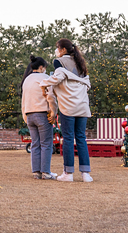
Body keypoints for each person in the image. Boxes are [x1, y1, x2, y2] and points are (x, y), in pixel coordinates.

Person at [40, 38, 93, 182]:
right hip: (82, 105)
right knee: (81, 138)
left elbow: (57, 78)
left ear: (63, 50)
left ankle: (68, 173)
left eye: (57, 48)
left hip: (68, 105)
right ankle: (85, 174)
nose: (56, 51)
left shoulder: (59, 62)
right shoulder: (80, 63)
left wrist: (42, 83)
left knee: (68, 138)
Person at [21, 55, 57, 180]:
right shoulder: (45, 78)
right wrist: (53, 112)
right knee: (46, 143)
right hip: (42, 113)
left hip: (29, 114)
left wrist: (25, 116)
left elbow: (23, 100)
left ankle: (36, 172)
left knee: (35, 143)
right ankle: (46, 172)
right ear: (41, 67)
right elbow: (50, 97)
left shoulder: (26, 80)